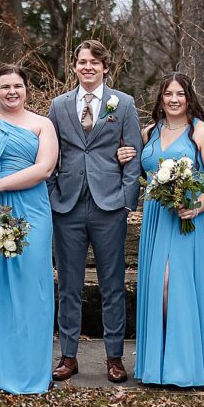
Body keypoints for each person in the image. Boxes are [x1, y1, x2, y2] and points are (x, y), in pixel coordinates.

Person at [129, 73, 204, 388]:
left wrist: (198, 206)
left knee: (179, 288)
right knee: (158, 290)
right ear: (160, 98)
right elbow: (140, 170)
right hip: (157, 219)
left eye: (180, 94)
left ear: (189, 97)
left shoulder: (202, 133)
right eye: (168, 94)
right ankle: (158, 367)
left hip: (190, 220)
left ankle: (187, 365)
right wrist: (125, 156)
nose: (174, 100)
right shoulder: (149, 132)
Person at [47, 40, 142, 384]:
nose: (88, 67)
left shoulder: (124, 104)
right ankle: (68, 355)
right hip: (67, 205)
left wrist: (125, 199)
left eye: (94, 62)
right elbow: (50, 154)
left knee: (112, 284)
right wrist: (52, 194)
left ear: (105, 67)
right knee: (69, 285)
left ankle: (114, 356)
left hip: (108, 206)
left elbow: (134, 153)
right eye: (82, 62)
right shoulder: (58, 106)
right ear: (74, 67)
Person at [0, 65, 58, 394]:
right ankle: (0, 367)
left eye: (17, 86)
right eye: (4, 86)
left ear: (27, 89)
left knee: (32, 288)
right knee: (0, 287)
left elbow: (44, 169)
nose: (11, 91)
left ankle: (32, 369)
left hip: (34, 211)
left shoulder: (42, 124)